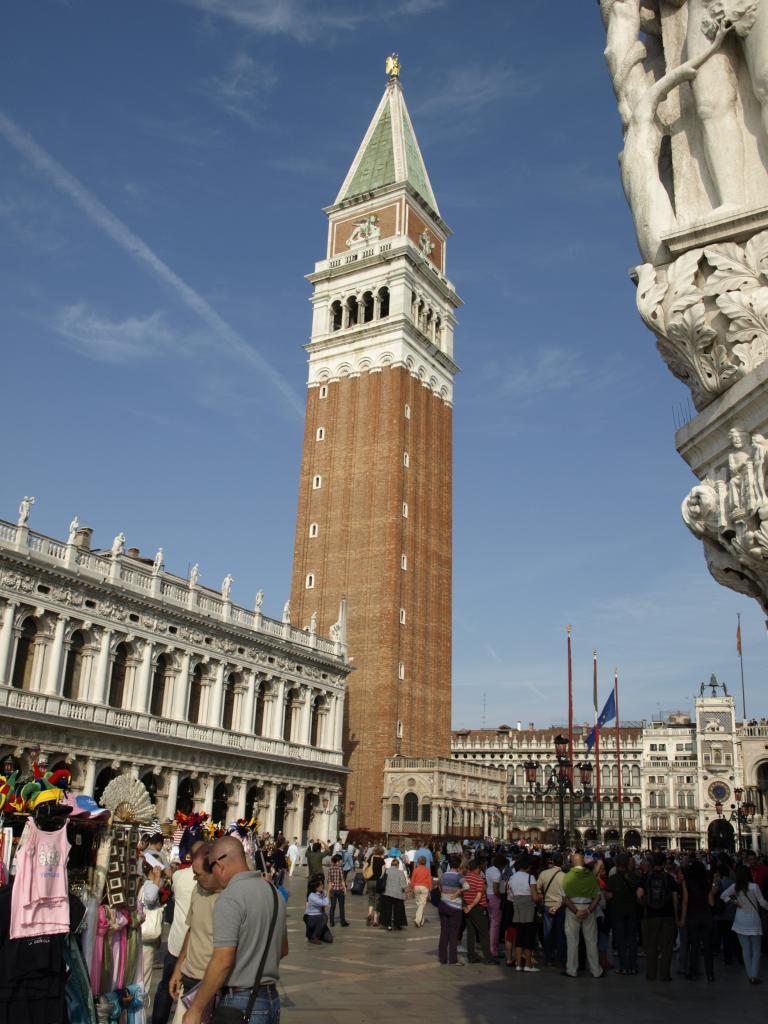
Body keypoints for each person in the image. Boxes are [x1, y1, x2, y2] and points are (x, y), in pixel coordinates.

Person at [181, 836, 288, 1024]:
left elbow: (223, 960)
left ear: (220, 864)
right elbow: (284, 949)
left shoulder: (230, 898)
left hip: (240, 1003)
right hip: (270, 1000)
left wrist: (195, 1010)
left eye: (211, 867)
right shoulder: (274, 892)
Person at [169, 847, 223, 1024]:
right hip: (189, 979)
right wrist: (178, 968)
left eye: (198, 874)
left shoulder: (230, 899)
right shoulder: (198, 889)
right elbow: (191, 930)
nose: (194, 878)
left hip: (212, 985)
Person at [152, 844, 201, 1024]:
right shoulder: (210, 881)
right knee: (190, 989)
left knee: (165, 985)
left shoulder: (180, 876)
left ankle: (158, 1020)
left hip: (176, 942)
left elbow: (171, 887)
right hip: (195, 946)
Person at [637, 852, 683, 983]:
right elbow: (675, 899)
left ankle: (651, 974)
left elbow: (639, 896)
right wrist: (676, 916)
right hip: (667, 916)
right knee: (667, 946)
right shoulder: (669, 878)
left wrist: (646, 905)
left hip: (651, 916)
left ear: (651, 864)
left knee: (651, 945)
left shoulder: (645, 877)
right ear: (664, 864)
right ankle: (664, 974)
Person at [720, 863, 768, 984]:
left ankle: (749, 975)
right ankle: (754, 975)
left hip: (740, 920)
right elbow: (762, 903)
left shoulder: (735, 887)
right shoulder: (754, 887)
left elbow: (723, 895)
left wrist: (735, 902)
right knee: (756, 949)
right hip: (754, 920)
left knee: (745, 949)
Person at [560, 852, 603, 979]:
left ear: (572, 862)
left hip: (573, 909)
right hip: (588, 907)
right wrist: (589, 910)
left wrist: (576, 911)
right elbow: (598, 897)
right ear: (583, 862)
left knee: (572, 941)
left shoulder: (567, 877)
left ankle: (572, 969)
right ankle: (596, 970)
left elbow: (565, 898)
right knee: (591, 941)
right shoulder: (590, 876)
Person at [606, 853, 639, 975]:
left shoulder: (612, 879)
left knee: (620, 940)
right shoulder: (634, 877)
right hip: (632, 912)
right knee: (632, 939)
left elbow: (609, 896)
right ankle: (633, 966)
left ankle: (624, 966)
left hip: (617, 912)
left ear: (616, 864)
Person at [682, 859, 714, 981]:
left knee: (694, 945)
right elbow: (711, 902)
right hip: (706, 915)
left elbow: (685, 901)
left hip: (693, 916)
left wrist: (682, 919)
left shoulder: (687, 883)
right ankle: (710, 973)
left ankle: (693, 970)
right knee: (707, 946)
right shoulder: (707, 883)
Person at [507, 855, 540, 972]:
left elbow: (510, 896)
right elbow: (535, 897)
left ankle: (518, 964)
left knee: (519, 937)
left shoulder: (512, 878)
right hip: (529, 910)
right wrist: (541, 896)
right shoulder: (530, 878)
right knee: (529, 938)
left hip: (517, 909)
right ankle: (528, 964)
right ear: (528, 867)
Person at [460, 859, 495, 964]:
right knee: (484, 933)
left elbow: (460, 894)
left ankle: (471, 956)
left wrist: (465, 906)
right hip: (477, 908)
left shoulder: (464, 878)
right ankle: (488, 958)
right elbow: (479, 896)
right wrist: (470, 906)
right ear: (477, 868)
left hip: (467, 908)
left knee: (471, 933)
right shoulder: (479, 879)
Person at [537, 852, 566, 967]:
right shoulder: (564, 876)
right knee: (560, 933)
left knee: (548, 933)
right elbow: (567, 895)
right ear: (562, 862)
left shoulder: (544, 874)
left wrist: (542, 899)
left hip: (547, 906)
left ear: (552, 861)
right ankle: (560, 958)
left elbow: (538, 889)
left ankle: (548, 958)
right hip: (560, 906)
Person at [140, 861, 163, 1001]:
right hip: (146, 940)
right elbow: (150, 898)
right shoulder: (148, 885)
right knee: (144, 979)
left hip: (143, 938)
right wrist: (156, 878)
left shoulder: (144, 884)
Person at [438, 854, 464, 966]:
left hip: (443, 904)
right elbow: (467, 886)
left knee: (444, 932)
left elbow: (439, 885)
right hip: (454, 906)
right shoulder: (459, 876)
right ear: (458, 865)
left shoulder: (444, 875)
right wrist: (458, 892)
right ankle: (453, 959)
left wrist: (444, 893)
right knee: (454, 933)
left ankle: (442, 958)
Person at [485, 853, 505, 958]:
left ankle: (490, 946)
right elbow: (496, 889)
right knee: (495, 925)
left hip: (488, 895)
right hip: (494, 897)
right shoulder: (497, 873)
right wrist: (501, 896)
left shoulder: (489, 869)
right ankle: (493, 949)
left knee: (491, 923)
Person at [380, 857, 408, 931]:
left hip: (386, 893)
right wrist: (406, 892)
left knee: (387, 910)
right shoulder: (400, 873)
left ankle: (388, 925)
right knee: (398, 910)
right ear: (397, 865)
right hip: (398, 894)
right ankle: (397, 924)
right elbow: (403, 885)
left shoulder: (386, 871)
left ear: (391, 864)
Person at [304, 877, 332, 944]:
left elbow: (327, 895)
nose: (323, 886)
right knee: (324, 917)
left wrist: (331, 888)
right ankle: (314, 938)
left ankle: (312, 933)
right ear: (316, 887)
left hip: (318, 917)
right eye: (321, 885)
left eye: (322, 884)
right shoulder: (312, 896)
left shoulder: (321, 892)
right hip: (310, 917)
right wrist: (328, 890)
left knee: (329, 939)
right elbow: (325, 903)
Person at [365, 845, 386, 927]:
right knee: (377, 900)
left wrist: (366, 876)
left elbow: (364, 868)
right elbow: (383, 872)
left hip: (370, 881)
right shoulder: (382, 861)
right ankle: (375, 920)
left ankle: (369, 914)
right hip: (378, 882)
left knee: (371, 899)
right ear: (381, 852)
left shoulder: (371, 858)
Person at [326, 854, 349, 927]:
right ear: (338, 861)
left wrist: (328, 891)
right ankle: (343, 922)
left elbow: (329, 881)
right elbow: (342, 880)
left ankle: (332, 922)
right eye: (341, 860)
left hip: (333, 890)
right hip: (340, 890)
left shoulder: (330, 869)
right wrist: (345, 889)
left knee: (332, 906)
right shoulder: (340, 869)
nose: (341, 861)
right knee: (341, 906)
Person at [411, 855, 432, 928]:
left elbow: (412, 879)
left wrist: (412, 888)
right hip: (424, 887)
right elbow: (429, 880)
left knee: (419, 904)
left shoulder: (415, 869)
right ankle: (417, 920)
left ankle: (421, 921)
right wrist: (430, 889)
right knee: (422, 904)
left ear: (418, 862)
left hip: (416, 887)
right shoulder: (427, 870)